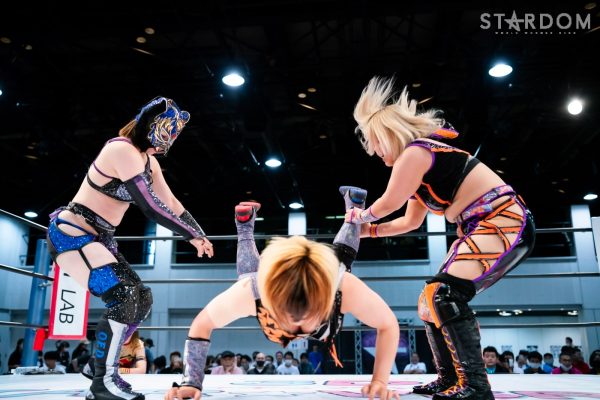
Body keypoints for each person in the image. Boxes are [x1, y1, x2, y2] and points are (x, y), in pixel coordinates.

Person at [348, 77, 535, 400]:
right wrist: (370, 231)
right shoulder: (420, 166)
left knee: (444, 294)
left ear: (387, 134)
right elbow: (409, 222)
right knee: (429, 303)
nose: (375, 152)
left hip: (504, 220)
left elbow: (389, 203)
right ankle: (450, 378)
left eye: (375, 143)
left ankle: (475, 385)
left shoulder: (416, 153)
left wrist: (360, 216)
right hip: (483, 225)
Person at [46, 97, 213, 400]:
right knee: (123, 296)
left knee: (142, 299)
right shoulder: (121, 149)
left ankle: (95, 366)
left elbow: (171, 203)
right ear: (151, 126)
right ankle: (103, 383)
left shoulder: (150, 163)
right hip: (72, 235)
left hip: (99, 240)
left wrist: (199, 234)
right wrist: (189, 235)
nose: (168, 141)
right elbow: (150, 207)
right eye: (167, 132)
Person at [166, 187, 400, 400]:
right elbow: (202, 325)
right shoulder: (253, 290)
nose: (297, 326)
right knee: (248, 276)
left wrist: (380, 381)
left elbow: (388, 325)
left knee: (339, 263)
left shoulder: (342, 286)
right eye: (290, 316)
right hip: (264, 291)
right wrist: (191, 382)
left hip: (326, 287)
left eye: (306, 316)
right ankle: (246, 227)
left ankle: (247, 226)